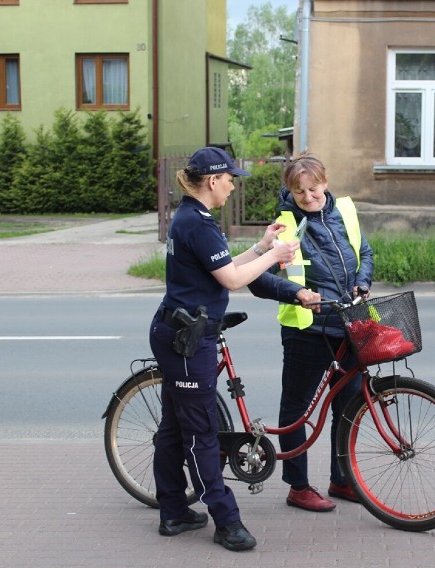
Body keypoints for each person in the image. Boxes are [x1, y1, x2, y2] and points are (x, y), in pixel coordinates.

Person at [149, 147, 298, 551]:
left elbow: (223, 268)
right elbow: (232, 281)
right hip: (186, 340)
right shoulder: (196, 223)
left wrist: (261, 247)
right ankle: (227, 521)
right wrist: (274, 256)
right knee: (201, 433)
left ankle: (173, 511)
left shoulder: (194, 218)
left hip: (182, 333)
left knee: (175, 426)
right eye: (230, 178)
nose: (233, 185)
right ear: (213, 180)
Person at [248, 153, 374, 512]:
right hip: (306, 329)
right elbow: (260, 278)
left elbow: (364, 252)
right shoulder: (284, 225)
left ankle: (341, 479)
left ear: (326, 181)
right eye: (299, 191)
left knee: (348, 407)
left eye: (313, 189)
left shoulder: (345, 211)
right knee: (296, 409)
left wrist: (363, 283)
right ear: (290, 190)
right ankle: (298, 486)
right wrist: (297, 293)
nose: (307, 197)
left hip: (350, 324)